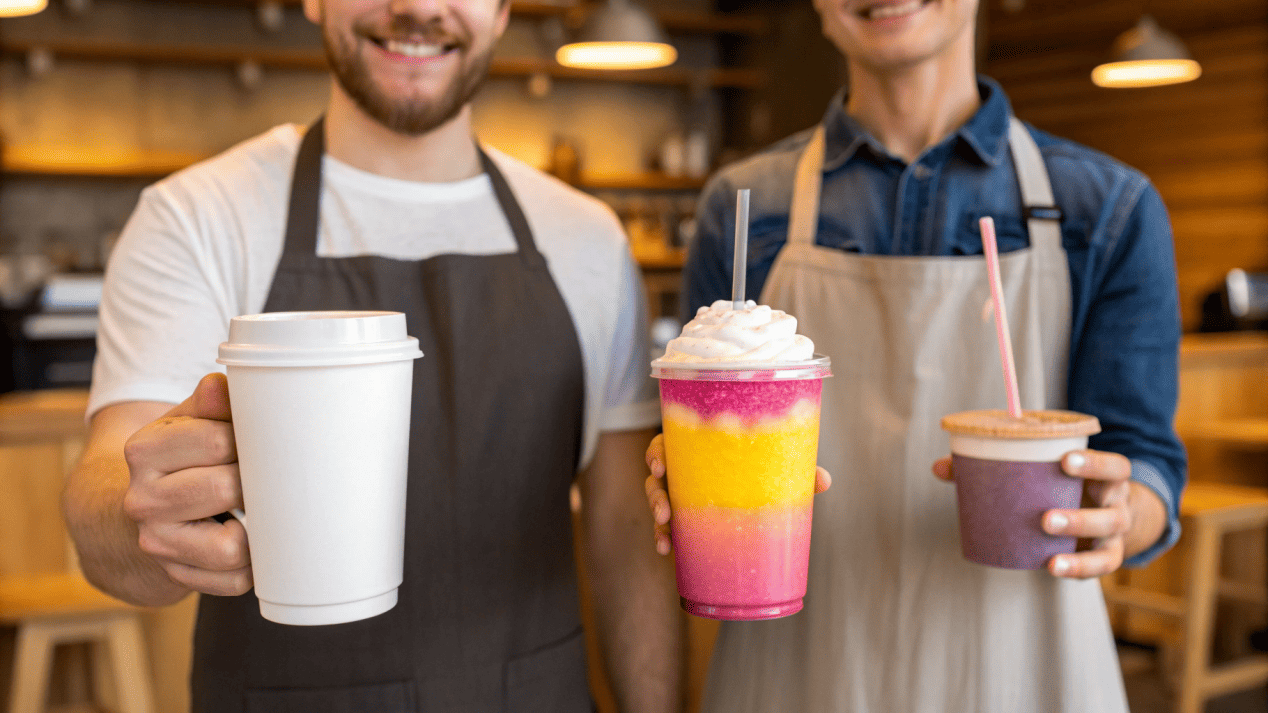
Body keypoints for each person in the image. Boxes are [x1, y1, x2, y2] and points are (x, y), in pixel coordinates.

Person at [62, 1, 683, 711]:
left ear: (504, 9)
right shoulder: (198, 218)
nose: (417, 7)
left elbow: (626, 532)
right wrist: (145, 517)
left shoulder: (588, 241)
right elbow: (106, 487)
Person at [644, 0, 1186, 711]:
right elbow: (702, 404)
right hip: (793, 665)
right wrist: (682, 467)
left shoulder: (1108, 208)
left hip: (1020, 667)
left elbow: (1144, 458)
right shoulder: (744, 210)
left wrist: (1123, 511)